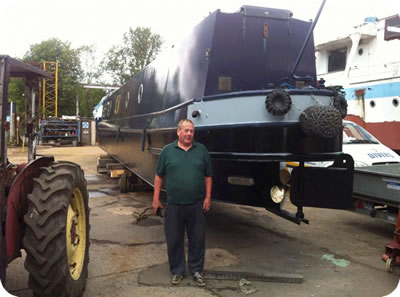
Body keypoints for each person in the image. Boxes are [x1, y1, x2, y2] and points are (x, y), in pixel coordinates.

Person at [152, 119, 213, 287]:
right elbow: (159, 176)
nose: (189, 134)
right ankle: (177, 271)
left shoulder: (201, 151)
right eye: (186, 130)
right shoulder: (167, 151)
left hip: (196, 204)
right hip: (174, 204)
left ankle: (196, 270)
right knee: (174, 239)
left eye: (192, 131)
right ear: (178, 132)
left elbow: (208, 176)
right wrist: (156, 199)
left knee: (197, 239)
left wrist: (208, 198)